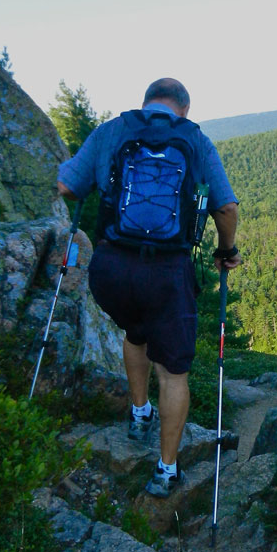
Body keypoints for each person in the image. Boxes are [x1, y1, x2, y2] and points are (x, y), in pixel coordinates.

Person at [56, 77, 241, 496]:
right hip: (166, 274)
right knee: (173, 373)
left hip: (111, 271)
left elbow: (66, 185)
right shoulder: (195, 140)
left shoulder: (112, 130)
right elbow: (226, 208)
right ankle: (166, 469)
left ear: (146, 102)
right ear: (183, 109)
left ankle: (140, 413)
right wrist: (226, 251)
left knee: (134, 331)